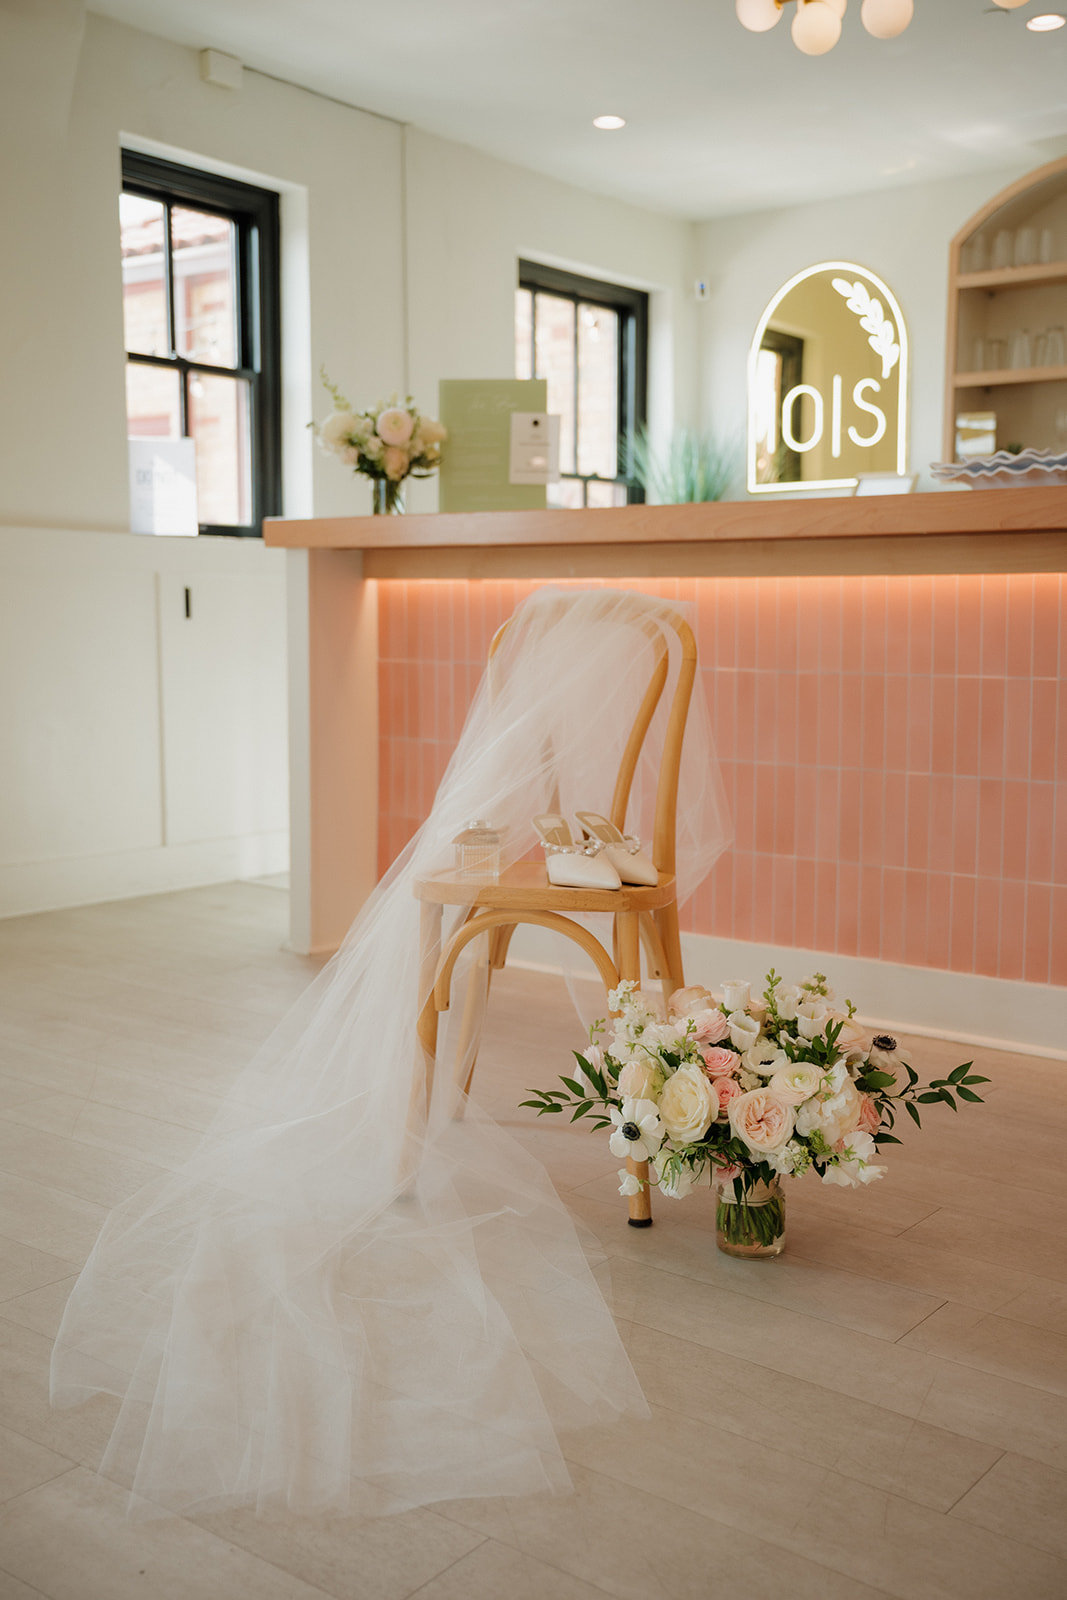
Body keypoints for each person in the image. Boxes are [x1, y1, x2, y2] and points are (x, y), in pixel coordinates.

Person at [51, 587, 731, 1518]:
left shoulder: (663, 643)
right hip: (539, 849)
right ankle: (420, 1111)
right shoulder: (518, 651)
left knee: (558, 931)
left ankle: (640, 1145)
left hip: (619, 862)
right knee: (444, 898)